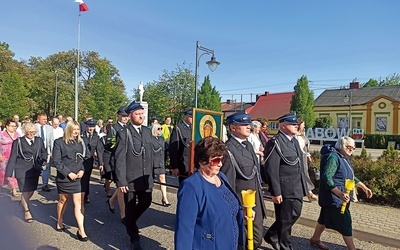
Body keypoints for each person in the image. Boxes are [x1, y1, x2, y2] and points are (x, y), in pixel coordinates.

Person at [175, 137, 244, 250]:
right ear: (202, 161)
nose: (220, 164)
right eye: (216, 160)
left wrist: (240, 211)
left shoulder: (222, 177)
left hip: (230, 243)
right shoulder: (191, 186)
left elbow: (227, 205)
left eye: (222, 159)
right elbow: (184, 228)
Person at [309, 136, 373, 250]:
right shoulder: (332, 157)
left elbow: (350, 176)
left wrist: (364, 187)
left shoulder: (344, 157)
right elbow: (327, 178)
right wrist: (339, 194)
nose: (352, 150)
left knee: (324, 218)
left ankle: (315, 239)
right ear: (341, 146)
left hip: (339, 196)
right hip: (334, 197)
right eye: (349, 147)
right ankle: (352, 248)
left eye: (353, 148)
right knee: (345, 221)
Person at [220, 112, 267, 249]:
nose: (248, 127)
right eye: (244, 124)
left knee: (256, 239)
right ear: (233, 128)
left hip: (254, 199)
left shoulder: (248, 145)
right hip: (242, 202)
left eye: (249, 124)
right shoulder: (228, 149)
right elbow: (228, 183)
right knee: (243, 240)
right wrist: (239, 208)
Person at [264, 112, 308, 250]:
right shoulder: (275, 142)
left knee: (295, 214)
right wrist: (275, 191)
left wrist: (306, 186)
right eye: (293, 124)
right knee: (286, 219)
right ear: (283, 126)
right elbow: (272, 169)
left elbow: (299, 165)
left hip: (297, 186)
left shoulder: (294, 140)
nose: (296, 126)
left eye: (297, 124)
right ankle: (285, 246)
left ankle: (271, 234)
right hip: (285, 188)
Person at [114, 101, 154, 250]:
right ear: (130, 115)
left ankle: (130, 222)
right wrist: (121, 181)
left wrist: (154, 173)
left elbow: (151, 154)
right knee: (130, 207)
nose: (141, 116)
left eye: (142, 114)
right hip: (130, 178)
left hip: (145, 177)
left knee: (146, 201)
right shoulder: (124, 133)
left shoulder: (147, 131)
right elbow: (119, 158)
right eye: (137, 114)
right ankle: (134, 238)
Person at [52, 121, 90, 241]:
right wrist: (68, 173)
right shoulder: (59, 142)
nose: (76, 132)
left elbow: (86, 158)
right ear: (68, 129)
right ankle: (59, 219)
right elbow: (57, 161)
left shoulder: (81, 142)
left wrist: (82, 170)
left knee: (78, 202)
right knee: (64, 200)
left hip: (78, 177)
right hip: (65, 177)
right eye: (74, 130)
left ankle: (81, 230)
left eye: (78, 129)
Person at [5, 122, 47, 223]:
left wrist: (44, 159)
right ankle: (27, 211)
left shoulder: (39, 141)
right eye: (29, 132)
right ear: (25, 132)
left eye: (33, 132)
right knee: (25, 190)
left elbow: (43, 151)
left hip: (35, 169)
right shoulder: (18, 141)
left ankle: (23, 202)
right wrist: (8, 173)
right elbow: (13, 157)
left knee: (32, 190)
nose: (31, 134)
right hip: (22, 169)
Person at [103, 107, 128, 224]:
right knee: (121, 186)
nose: (125, 118)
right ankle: (123, 213)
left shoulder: (129, 128)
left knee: (122, 186)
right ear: (118, 116)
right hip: (116, 160)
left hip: (128, 161)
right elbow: (109, 146)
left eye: (127, 116)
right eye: (123, 116)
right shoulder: (113, 128)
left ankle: (112, 201)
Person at [295, 118, 318, 201]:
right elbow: (300, 147)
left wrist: (308, 155)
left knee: (305, 173)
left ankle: (307, 192)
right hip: (299, 157)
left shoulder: (302, 134)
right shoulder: (295, 135)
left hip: (304, 156)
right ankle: (309, 193)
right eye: (303, 124)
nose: (304, 125)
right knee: (304, 173)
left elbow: (306, 147)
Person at [81, 119, 101, 203]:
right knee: (81, 179)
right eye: (89, 127)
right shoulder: (81, 136)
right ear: (86, 127)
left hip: (90, 161)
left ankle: (85, 196)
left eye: (92, 127)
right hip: (81, 160)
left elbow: (99, 150)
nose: (91, 128)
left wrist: (99, 162)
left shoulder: (97, 137)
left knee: (86, 179)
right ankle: (80, 195)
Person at [169, 108, 192, 183]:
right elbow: (173, 149)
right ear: (185, 116)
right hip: (183, 164)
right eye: (191, 116)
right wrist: (174, 166)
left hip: (193, 164)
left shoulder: (193, 128)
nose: (193, 119)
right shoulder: (178, 128)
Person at [0, 118, 20, 197]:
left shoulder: (17, 134)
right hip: (4, 158)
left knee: (13, 173)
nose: (14, 128)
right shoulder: (1, 134)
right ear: (7, 126)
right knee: (3, 173)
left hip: (14, 157)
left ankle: (13, 189)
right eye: (12, 126)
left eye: (15, 126)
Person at [151, 123, 170, 206]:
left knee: (162, 179)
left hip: (160, 162)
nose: (160, 130)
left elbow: (166, 149)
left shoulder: (162, 139)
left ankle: (165, 198)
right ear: (154, 129)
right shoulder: (150, 139)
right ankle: (147, 196)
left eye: (161, 128)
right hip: (152, 162)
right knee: (150, 180)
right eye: (159, 128)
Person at [35, 113, 54, 192]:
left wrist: (52, 150)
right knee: (35, 167)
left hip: (46, 150)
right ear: (38, 119)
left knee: (46, 167)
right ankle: (33, 184)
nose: (45, 121)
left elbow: (51, 140)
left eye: (46, 119)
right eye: (43, 119)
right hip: (36, 150)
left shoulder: (49, 128)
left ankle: (45, 184)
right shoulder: (34, 127)